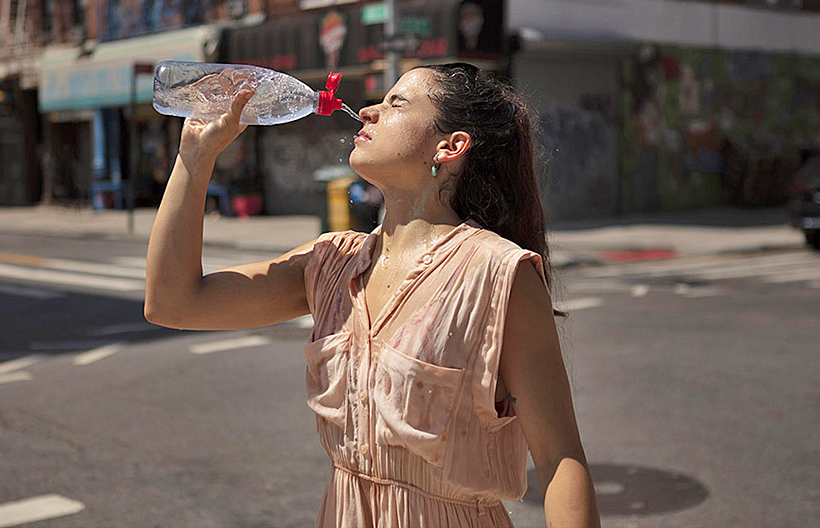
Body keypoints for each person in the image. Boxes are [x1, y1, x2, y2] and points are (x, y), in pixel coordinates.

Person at [145, 63, 600, 527]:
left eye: (395, 103)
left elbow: (559, 459)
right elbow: (173, 303)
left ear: (450, 146)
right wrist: (195, 157)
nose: (367, 111)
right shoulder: (329, 263)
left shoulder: (497, 273)